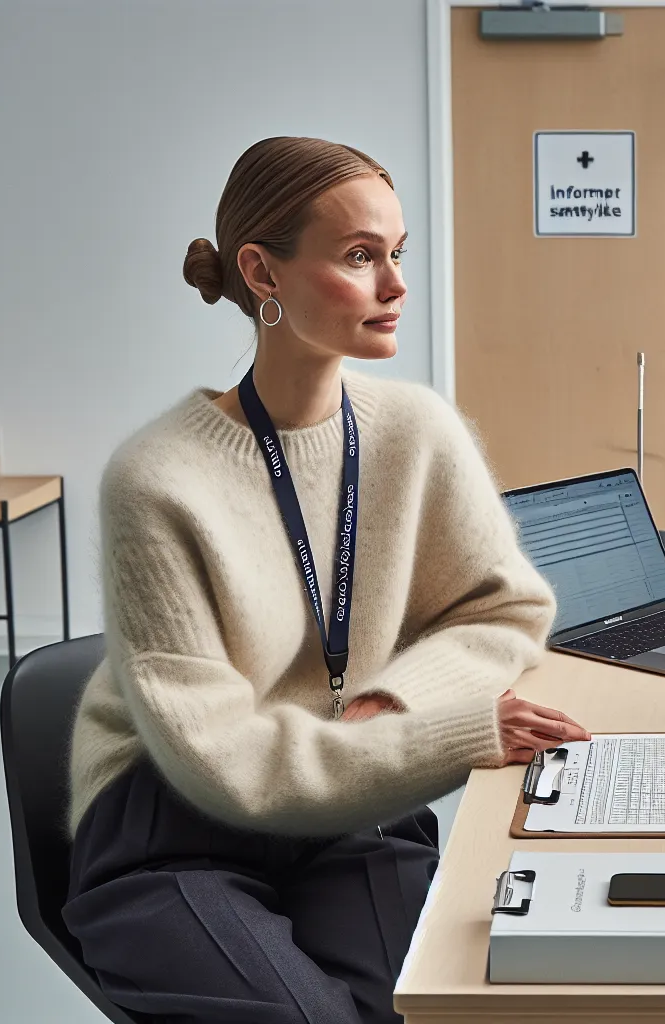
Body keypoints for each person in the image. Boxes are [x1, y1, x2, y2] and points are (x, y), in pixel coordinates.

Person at [64, 137, 590, 1024]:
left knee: (443, 1006)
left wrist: (389, 702)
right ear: (262, 272)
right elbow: (224, 763)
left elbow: (502, 608)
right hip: (176, 818)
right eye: (358, 256)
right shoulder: (157, 479)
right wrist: (455, 733)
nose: (396, 285)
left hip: (351, 797)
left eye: (398, 253)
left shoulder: (416, 430)